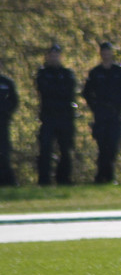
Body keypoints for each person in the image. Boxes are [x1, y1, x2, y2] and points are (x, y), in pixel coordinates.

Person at [82, 42, 121, 184]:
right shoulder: (95, 72)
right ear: (101, 54)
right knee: (102, 145)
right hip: (101, 113)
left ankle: (107, 175)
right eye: (103, 52)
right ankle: (103, 177)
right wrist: (95, 107)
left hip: (115, 113)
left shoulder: (119, 71)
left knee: (113, 145)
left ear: (112, 53)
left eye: (108, 52)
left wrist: (120, 107)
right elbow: (86, 92)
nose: (106, 55)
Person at [35, 43, 77, 185]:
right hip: (48, 117)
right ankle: (44, 180)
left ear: (60, 56)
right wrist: (58, 91)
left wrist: (56, 91)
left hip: (65, 117)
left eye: (56, 55)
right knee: (45, 149)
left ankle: (64, 179)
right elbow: (45, 91)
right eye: (51, 55)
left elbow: (69, 92)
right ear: (47, 56)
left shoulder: (67, 73)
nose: (54, 58)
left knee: (65, 150)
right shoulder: (42, 73)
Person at [0, 70, 17, 186]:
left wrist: (5, 113)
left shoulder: (7, 82)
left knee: (4, 152)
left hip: (2, 123)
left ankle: (7, 182)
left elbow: (14, 101)